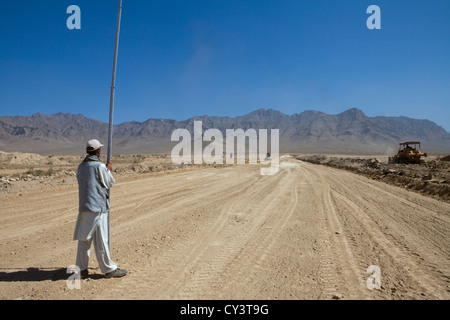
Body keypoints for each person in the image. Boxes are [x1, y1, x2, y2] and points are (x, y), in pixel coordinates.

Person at [73, 139, 127, 278]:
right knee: (101, 239)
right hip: (98, 208)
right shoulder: (99, 167)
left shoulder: (81, 167)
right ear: (98, 151)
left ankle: (81, 269)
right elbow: (110, 182)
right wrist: (108, 169)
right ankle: (108, 269)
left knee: (84, 240)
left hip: (84, 206)